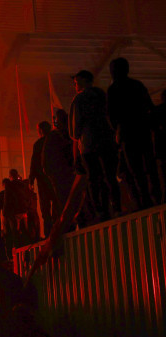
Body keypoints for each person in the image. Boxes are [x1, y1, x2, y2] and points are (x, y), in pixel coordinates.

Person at [107, 57, 161, 210]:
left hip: (127, 134)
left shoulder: (113, 89)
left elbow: (111, 115)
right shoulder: (137, 85)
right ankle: (157, 196)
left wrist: (116, 132)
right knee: (150, 166)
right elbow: (149, 106)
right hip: (142, 130)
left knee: (135, 170)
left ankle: (144, 201)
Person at [69, 69, 122, 221]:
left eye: (76, 82)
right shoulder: (102, 95)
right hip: (107, 141)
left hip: (89, 145)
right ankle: (116, 207)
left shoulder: (79, 99)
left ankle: (100, 210)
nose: (75, 85)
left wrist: (76, 154)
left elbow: (75, 130)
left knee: (94, 178)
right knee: (110, 176)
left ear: (85, 80)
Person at [43, 108, 75, 224]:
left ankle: (65, 224)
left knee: (61, 201)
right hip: (70, 173)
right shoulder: (71, 134)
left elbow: (45, 160)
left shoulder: (53, 137)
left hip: (60, 176)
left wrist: (50, 174)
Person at [30, 121, 55, 237]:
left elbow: (34, 163)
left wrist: (31, 179)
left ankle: (48, 233)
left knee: (45, 209)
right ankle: (57, 229)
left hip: (43, 181)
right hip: (55, 179)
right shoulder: (57, 141)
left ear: (40, 130)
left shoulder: (39, 144)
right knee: (56, 205)